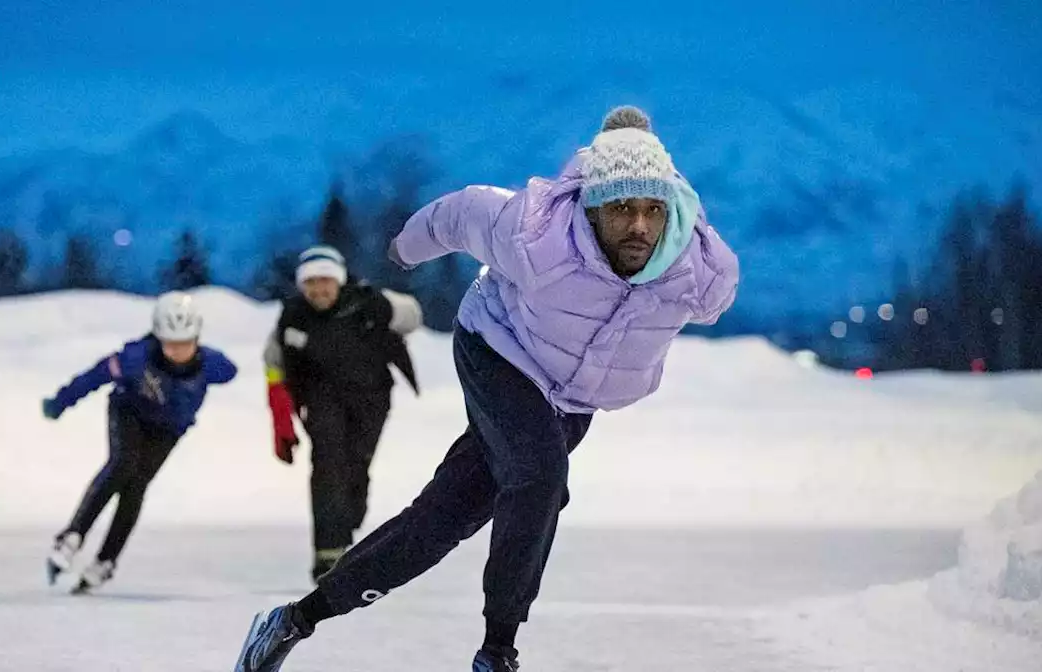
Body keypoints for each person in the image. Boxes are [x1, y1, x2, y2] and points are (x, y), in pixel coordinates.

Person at [232, 106, 740, 671]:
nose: (640, 227)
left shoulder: (695, 268)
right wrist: (404, 249)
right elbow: (461, 212)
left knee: (440, 521)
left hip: (569, 401)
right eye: (621, 207)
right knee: (541, 476)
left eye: (652, 209)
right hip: (496, 352)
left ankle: (292, 622)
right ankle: (498, 652)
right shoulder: (536, 233)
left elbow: (716, 288)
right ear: (592, 205)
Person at [41, 291, 238, 594]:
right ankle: (72, 536)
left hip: (169, 430)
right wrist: (59, 402)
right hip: (129, 413)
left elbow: (231, 371)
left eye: (185, 343)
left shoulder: (213, 365)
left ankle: (106, 560)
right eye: (170, 344)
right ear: (158, 337)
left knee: (137, 485)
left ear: (197, 338)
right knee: (122, 464)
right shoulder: (135, 357)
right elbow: (93, 376)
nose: (178, 351)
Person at [263, 245, 423, 582]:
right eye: (310, 283)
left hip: (372, 398)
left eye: (325, 281)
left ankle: (347, 520)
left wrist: (387, 306)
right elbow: (273, 362)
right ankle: (327, 553)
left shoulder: (366, 302)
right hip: (321, 398)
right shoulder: (293, 316)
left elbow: (412, 316)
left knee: (356, 464)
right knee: (326, 465)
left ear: (338, 280)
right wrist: (281, 418)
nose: (318, 290)